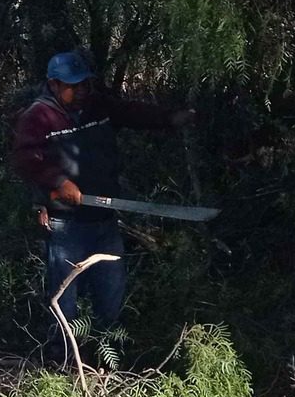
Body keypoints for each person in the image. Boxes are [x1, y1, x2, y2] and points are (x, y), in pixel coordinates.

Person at [10, 50, 190, 356]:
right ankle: (62, 362)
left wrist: (170, 119)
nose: (81, 91)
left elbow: (132, 113)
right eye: (73, 85)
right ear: (54, 84)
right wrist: (58, 182)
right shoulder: (38, 116)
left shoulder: (97, 106)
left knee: (111, 294)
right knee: (63, 299)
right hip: (66, 224)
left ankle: (106, 360)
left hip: (104, 220)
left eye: (84, 84)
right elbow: (25, 160)